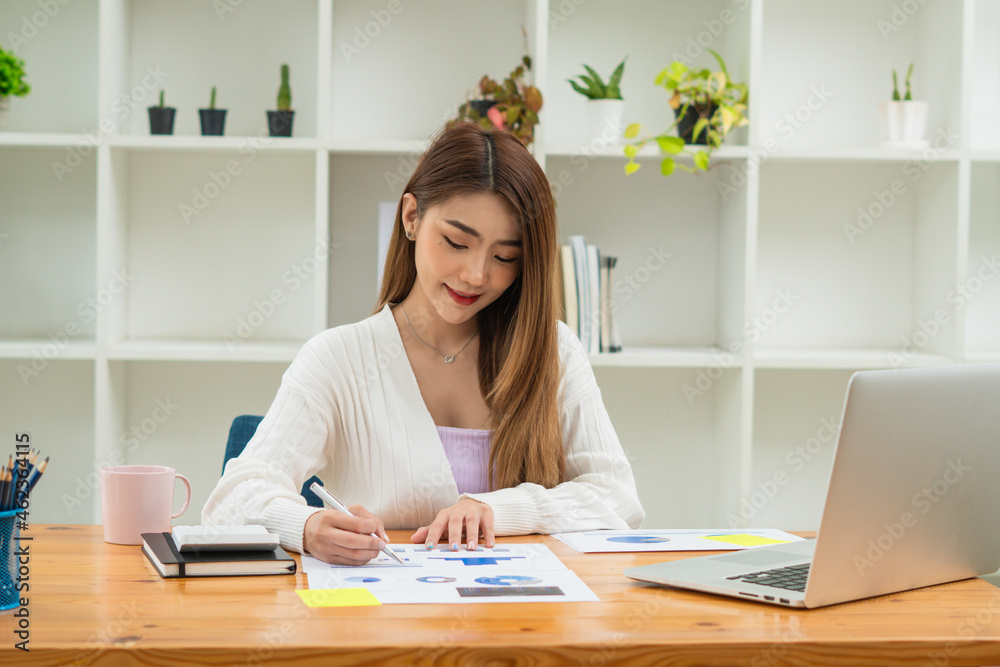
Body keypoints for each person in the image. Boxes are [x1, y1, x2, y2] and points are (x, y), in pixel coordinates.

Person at [202, 121, 644, 565]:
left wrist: (498, 509)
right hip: (387, 623)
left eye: (505, 257)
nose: (476, 275)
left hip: (521, 621)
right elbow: (230, 501)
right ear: (411, 217)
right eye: (455, 242)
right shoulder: (338, 358)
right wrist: (306, 527)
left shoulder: (552, 351)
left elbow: (616, 497)